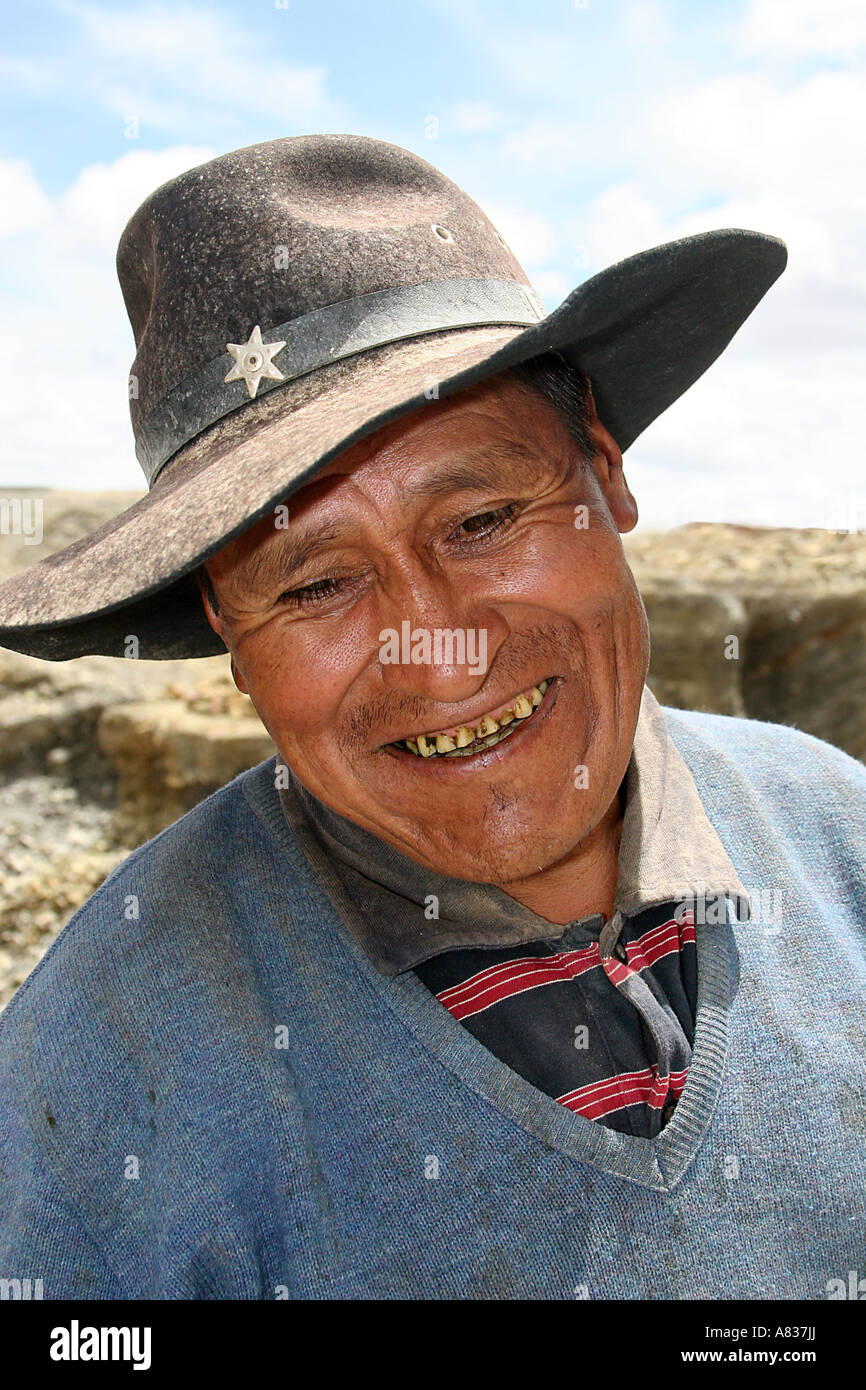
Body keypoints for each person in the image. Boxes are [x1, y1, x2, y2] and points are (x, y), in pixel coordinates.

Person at [0, 135, 863, 1301]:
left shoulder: (839, 844)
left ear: (604, 472)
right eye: (311, 583)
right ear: (226, 628)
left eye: (483, 518)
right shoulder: (93, 1071)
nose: (437, 645)